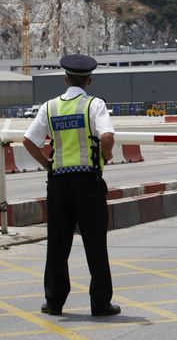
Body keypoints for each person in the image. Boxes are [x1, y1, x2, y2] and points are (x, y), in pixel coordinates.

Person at [22, 54, 121, 317]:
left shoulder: (49, 107)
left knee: (57, 243)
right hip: (88, 183)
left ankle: (54, 302)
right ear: (89, 80)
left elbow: (28, 141)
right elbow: (108, 136)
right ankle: (100, 303)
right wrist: (106, 156)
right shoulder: (94, 105)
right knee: (95, 243)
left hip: (58, 185)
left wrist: (48, 165)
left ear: (65, 79)